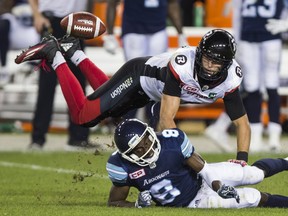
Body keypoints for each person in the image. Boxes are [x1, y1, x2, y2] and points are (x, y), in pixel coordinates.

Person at [15, 28, 250, 162]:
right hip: (138, 77)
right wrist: (186, 157)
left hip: (147, 93)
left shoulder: (230, 81)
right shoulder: (183, 66)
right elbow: (166, 120)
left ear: (227, 65)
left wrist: (241, 160)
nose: (209, 65)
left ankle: (73, 51)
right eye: (207, 58)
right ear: (199, 54)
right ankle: (54, 54)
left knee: (113, 111)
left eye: (216, 62)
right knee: (83, 117)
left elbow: (242, 124)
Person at [106, 118, 288, 208]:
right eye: (138, 149)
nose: (147, 149)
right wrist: (137, 205)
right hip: (194, 201)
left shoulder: (172, 142)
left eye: (146, 141)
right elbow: (115, 201)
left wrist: (218, 186)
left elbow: (204, 168)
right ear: (127, 155)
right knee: (252, 196)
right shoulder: (122, 167)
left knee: (252, 174)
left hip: (203, 179)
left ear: (150, 133)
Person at [104, 0, 187, 129]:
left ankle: (154, 126)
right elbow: (112, 3)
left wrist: (180, 32)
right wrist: (109, 34)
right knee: (133, 79)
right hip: (134, 29)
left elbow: (172, 4)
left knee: (159, 78)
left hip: (158, 28)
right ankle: (127, 126)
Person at [26, 0, 93, 150]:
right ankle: (38, 138)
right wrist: (37, 15)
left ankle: (78, 137)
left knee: (78, 82)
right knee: (47, 83)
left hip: (76, 23)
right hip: (51, 21)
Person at [232, 0, 288, 153]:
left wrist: (285, 24)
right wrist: (236, 42)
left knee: (271, 85)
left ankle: (273, 136)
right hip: (248, 38)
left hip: (271, 37)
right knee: (252, 87)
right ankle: (255, 135)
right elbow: (237, 16)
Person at [0, 0, 39, 86]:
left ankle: (42, 68)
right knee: (3, 23)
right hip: (16, 26)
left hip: (36, 28)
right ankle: (3, 69)